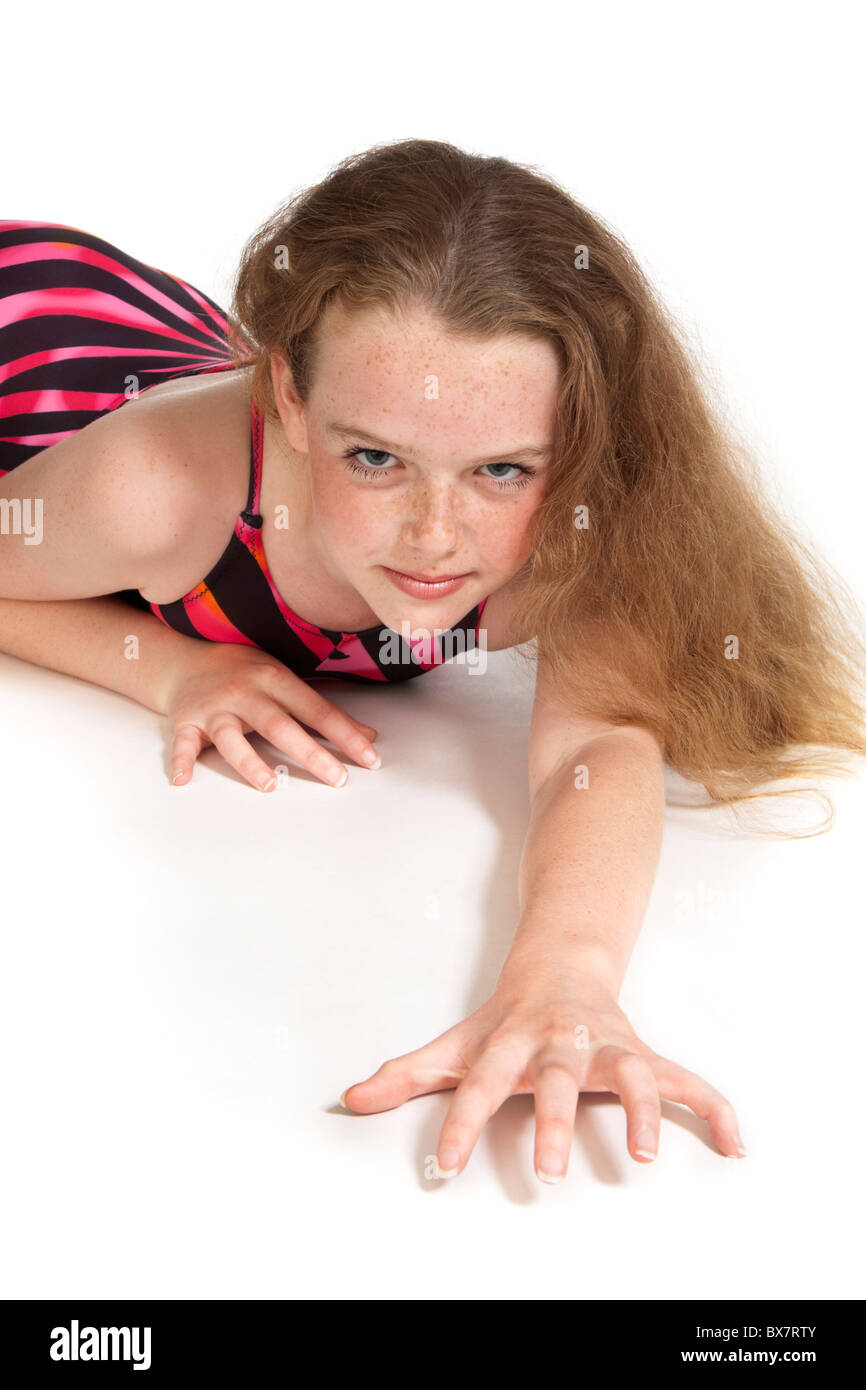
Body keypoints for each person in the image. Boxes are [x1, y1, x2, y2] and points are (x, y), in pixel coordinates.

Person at [2, 139, 864, 1185]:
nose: (434, 534)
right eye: (376, 459)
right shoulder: (155, 493)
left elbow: (591, 742)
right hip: (37, 343)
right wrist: (167, 667)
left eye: (500, 469)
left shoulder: (577, 528)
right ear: (290, 400)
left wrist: (564, 977)